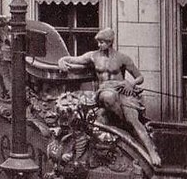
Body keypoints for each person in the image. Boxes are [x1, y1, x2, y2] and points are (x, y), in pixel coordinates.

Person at [58, 28, 160, 164]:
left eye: (102, 42)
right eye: (98, 42)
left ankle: (152, 153)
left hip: (121, 91)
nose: (99, 45)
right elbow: (74, 59)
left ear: (109, 42)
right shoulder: (93, 56)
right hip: (104, 91)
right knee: (108, 97)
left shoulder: (122, 58)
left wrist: (131, 84)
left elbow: (140, 77)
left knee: (133, 119)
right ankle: (122, 122)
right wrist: (62, 61)